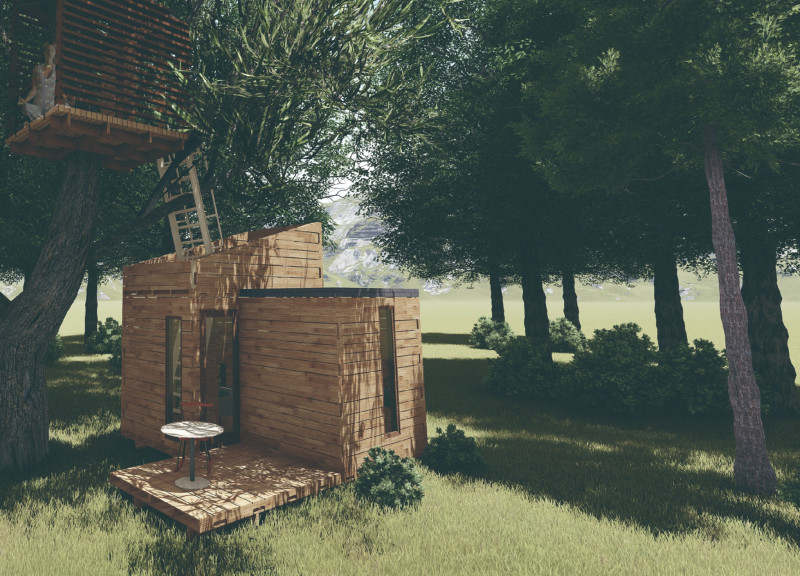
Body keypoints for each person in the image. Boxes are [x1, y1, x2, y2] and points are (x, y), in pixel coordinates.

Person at [18, 44, 56, 121]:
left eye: (52, 50)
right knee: (25, 107)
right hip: (38, 107)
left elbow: (59, 90)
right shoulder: (37, 69)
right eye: (47, 50)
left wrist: (66, 100)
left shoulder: (57, 70)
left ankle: (43, 120)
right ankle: (42, 120)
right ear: (43, 53)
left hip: (51, 108)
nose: (49, 52)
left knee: (63, 108)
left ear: (55, 53)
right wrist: (26, 100)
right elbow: (34, 88)